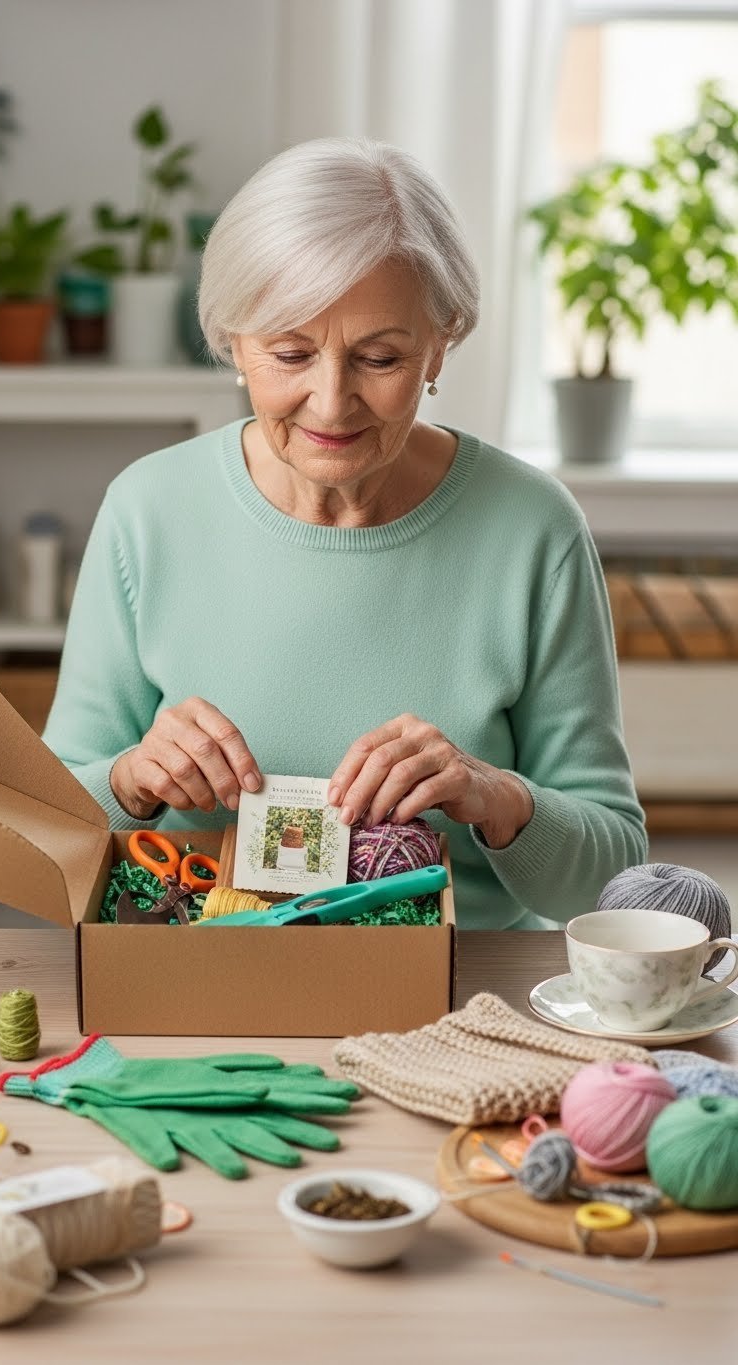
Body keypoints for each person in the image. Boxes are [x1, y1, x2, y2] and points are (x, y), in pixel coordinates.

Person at [43, 137, 647, 929]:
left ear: (444, 339)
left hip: (462, 1004)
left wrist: (497, 796)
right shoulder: (146, 512)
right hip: (198, 987)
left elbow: (614, 883)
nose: (331, 403)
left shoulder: (534, 530)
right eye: (290, 353)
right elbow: (41, 833)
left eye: (380, 357)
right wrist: (127, 780)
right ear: (232, 340)